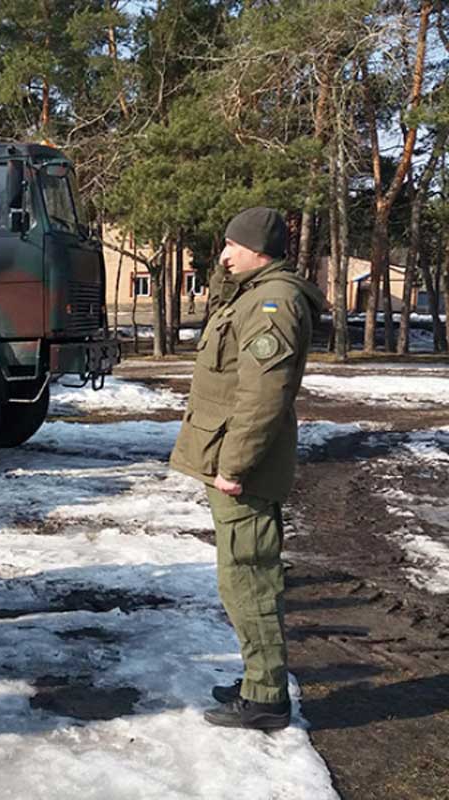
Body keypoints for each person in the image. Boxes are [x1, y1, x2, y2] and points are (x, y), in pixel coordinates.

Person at [169, 207, 325, 731]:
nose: (224, 255)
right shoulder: (250, 294)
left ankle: (265, 699)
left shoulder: (270, 304)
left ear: (258, 250)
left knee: (250, 580)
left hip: (242, 468)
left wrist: (234, 464)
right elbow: (220, 304)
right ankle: (260, 679)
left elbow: (264, 397)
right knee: (243, 576)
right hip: (232, 461)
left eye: (233, 246)